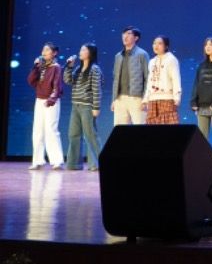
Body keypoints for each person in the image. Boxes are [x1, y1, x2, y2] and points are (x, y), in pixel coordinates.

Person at [63, 43, 103, 171]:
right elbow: (68, 81)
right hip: (76, 105)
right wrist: (69, 67)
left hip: (87, 106)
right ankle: (73, 164)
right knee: (73, 134)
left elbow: (97, 89)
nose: (80, 52)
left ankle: (96, 163)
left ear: (90, 53)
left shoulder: (94, 69)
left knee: (90, 135)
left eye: (83, 50)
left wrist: (96, 107)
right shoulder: (78, 69)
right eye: (80, 49)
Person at [26, 42, 64, 170]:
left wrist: (52, 99)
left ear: (54, 53)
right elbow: (31, 81)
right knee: (37, 130)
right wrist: (35, 67)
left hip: (51, 101)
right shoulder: (41, 67)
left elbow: (57, 86)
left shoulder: (56, 67)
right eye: (43, 50)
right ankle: (38, 160)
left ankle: (57, 160)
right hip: (39, 100)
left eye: (47, 50)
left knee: (51, 130)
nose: (44, 52)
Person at [111, 26, 149, 126]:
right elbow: (115, 79)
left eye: (128, 34)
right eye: (124, 34)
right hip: (120, 98)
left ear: (136, 38)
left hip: (137, 98)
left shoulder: (142, 54)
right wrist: (114, 99)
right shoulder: (118, 56)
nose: (125, 36)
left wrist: (145, 99)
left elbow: (148, 78)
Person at [143, 36, 182, 125]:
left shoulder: (171, 59)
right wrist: (145, 99)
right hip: (153, 99)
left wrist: (177, 96)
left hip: (167, 98)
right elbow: (150, 81)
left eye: (160, 43)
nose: (156, 46)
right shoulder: (152, 62)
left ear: (166, 46)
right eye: (154, 43)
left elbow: (176, 78)